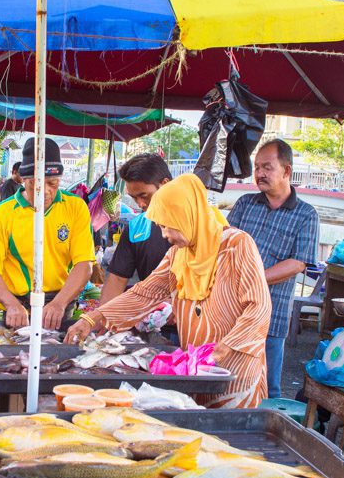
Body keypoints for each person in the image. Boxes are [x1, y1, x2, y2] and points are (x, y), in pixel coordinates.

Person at [67, 174, 271, 408]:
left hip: (235, 369)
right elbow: (144, 293)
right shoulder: (178, 254)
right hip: (196, 368)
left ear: (186, 214)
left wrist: (226, 347)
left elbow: (259, 306)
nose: (164, 235)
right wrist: (93, 318)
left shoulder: (236, 245)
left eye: (167, 225)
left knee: (232, 434)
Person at [227, 139, 319, 399]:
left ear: (287, 171)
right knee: (226, 380)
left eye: (267, 167)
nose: (259, 174)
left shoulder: (306, 214)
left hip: (272, 314)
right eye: (257, 167)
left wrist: (252, 280)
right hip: (232, 309)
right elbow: (225, 244)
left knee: (268, 388)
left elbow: (298, 263)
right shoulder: (246, 204)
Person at [0, 137, 95, 330]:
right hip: (17, 307)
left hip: (60, 304)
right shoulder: (2, 213)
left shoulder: (76, 207)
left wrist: (59, 303)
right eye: (36, 184)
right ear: (24, 179)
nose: (46, 191)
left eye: (53, 183)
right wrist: (11, 304)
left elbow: (84, 264)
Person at [101, 153, 173, 304]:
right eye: (134, 198)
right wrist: (99, 318)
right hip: (153, 318)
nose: (140, 204)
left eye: (144, 196)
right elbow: (118, 278)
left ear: (164, 184)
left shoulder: (199, 222)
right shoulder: (136, 228)